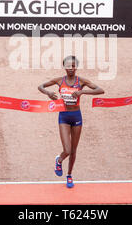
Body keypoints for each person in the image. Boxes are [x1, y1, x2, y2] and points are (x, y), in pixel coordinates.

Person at [38, 55, 104, 188]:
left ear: (76, 67)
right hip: (64, 116)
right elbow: (40, 86)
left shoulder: (81, 81)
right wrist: (48, 93)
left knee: (74, 150)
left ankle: (69, 175)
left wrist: (82, 92)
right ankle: (59, 159)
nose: (71, 68)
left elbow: (100, 90)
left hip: (76, 116)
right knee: (67, 150)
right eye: (68, 66)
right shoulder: (59, 81)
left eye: (73, 66)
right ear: (64, 67)